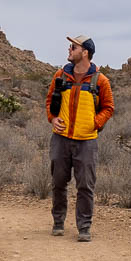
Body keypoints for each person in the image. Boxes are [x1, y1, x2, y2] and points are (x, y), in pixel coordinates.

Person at [45, 34, 114, 242]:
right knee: (58, 182)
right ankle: (58, 222)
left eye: (73, 47)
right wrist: (53, 118)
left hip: (87, 141)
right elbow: (49, 101)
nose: (69, 50)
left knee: (85, 185)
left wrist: (94, 123)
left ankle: (84, 227)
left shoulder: (100, 80)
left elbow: (108, 107)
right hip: (61, 138)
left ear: (85, 52)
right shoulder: (60, 75)